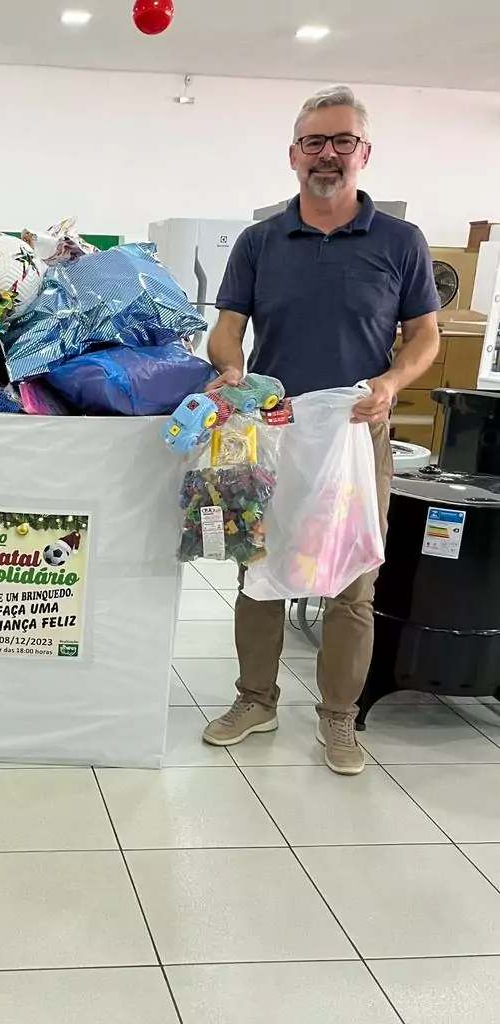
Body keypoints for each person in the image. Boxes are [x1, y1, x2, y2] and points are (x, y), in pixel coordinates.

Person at [201, 86, 440, 775]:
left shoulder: (400, 242)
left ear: (363, 153)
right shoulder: (259, 242)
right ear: (292, 155)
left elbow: (423, 335)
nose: (326, 155)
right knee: (257, 571)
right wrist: (229, 369)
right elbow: (228, 327)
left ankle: (337, 719)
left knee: (352, 582)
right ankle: (255, 699)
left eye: (341, 141)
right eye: (313, 142)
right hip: (273, 431)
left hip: (356, 437)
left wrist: (390, 385)